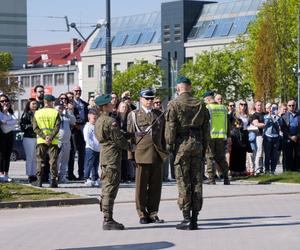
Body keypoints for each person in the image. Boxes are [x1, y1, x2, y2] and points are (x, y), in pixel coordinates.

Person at [165, 76, 210, 230]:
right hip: (197, 144)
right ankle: (195, 217)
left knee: (183, 181)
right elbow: (206, 129)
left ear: (178, 88)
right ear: (189, 87)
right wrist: (204, 147)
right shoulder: (200, 104)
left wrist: (170, 146)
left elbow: (171, 128)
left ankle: (186, 219)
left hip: (182, 145)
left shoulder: (174, 104)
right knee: (197, 181)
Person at [94, 94, 134, 230]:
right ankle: (108, 219)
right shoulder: (111, 121)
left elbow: (116, 135)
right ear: (104, 107)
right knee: (110, 188)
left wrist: (133, 135)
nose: (113, 105)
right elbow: (118, 139)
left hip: (105, 156)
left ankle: (107, 216)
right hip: (112, 157)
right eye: (110, 104)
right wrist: (130, 146)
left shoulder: (99, 121)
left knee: (107, 187)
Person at [127, 88, 167, 224]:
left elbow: (163, 136)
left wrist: (164, 151)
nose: (149, 101)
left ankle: (153, 212)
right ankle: (142, 213)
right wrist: (130, 156)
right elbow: (130, 137)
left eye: (151, 98)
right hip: (141, 154)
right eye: (147, 98)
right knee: (141, 187)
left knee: (156, 186)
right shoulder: (133, 115)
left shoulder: (159, 115)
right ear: (140, 99)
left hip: (157, 154)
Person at [32, 95, 61, 188]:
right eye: (52, 102)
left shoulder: (37, 113)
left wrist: (44, 137)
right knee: (53, 161)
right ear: (48, 102)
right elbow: (57, 127)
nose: (53, 103)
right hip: (53, 141)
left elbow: (35, 128)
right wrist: (50, 137)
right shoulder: (55, 113)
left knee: (40, 160)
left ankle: (39, 181)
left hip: (41, 140)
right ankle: (53, 181)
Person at [203, 91, 231, 185]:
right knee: (221, 158)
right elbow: (227, 123)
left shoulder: (208, 108)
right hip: (221, 136)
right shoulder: (223, 108)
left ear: (208, 99)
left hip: (210, 136)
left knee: (210, 157)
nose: (205, 102)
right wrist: (228, 135)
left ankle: (211, 179)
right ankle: (226, 178)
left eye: (205, 100)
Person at [55, 97, 76, 183]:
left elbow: (73, 121)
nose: (61, 109)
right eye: (59, 107)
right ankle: (54, 176)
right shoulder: (54, 116)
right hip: (58, 141)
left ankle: (62, 176)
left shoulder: (66, 116)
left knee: (65, 160)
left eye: (62, 107)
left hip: (67, 142)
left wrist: (69, 111)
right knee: (56, 161)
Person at [229, 100, 251, 176]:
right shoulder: (234, 114)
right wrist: (234, 127)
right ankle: (233, 171)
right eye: (241, 104)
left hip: (244, 135)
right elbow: (229, 123)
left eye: (245, 105)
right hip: (236, 135)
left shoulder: (247, 115)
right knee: (235, 153)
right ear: (239, 105)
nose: (243, 106)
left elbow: (248, 125)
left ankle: (242, 170)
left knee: (242, 153)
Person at [71, 85, 88, 180]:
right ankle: (70, 173)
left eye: (79, 91)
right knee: (73, 153)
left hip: (83, 129)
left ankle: (81, 173)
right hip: (74, 130)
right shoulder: (71, 103)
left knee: (82, 154)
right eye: (76, 91)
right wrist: (75, 125)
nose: (78, 92)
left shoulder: (84, 104)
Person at [0, 94, 18, 182]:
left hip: (9, 135)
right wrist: (8, 121)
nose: (4, 103)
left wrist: (6, 122)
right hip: (1, 135)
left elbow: (15, 121)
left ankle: (6, 174)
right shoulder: (1, 112)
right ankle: (1, 174)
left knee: (8, 155)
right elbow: (1, 122)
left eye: (6, 101)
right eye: (2, 101)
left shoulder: (10, 112)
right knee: (1, 155)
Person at [20, 98, 38, 183]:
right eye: (33, 104)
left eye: (35, 103)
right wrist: (33, 125)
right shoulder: (26, 114)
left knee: (35, 157)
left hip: (37, 137)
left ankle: (34, 174)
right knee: (30, 157)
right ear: (29, 105)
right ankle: (29, 175)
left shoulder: (38, 113)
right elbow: (23, 127)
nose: (35, 105)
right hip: (28, 137)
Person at [281, 100, 300, 172]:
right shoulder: (284, 116)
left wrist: (297, 136)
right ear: (287, 106)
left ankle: (297, 169)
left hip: (297, 138)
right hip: (288, 138)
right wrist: (290, 137)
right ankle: (287, 170)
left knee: (298, 154)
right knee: (287, 155)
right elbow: (283, 128)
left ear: (295, 106)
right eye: (290, 105)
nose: (291, 107)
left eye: (293, 105)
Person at [263, 103, 282, 174]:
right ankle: (267, 170)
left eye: (273, 108)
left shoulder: (278, 117)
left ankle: (273, 170)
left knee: (275, 155)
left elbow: (281, 124)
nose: (272, 109)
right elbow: (265, 124)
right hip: (268, 137)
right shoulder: (265, 117)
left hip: (276, 137)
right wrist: (270, 116)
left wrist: (277, 116)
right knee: (267, 155)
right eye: (270, 108)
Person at [83, 109, 100, 187]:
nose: (95, 120)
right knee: (89, 164)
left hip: (97, 148)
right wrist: (93, 146)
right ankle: (87, 178)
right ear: (89, 118)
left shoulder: (97, 126)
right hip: (90, 148)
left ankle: (95, 178)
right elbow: (87, 138)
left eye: (96, 118)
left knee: (95, 164)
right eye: (94, 118)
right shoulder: (87, 127)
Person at [250, 101, 265, 174]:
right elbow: (257, 124)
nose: (260, 107)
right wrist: (266, 124)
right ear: (255, 106)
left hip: (266, 135)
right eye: (258, 105)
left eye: (261, 105)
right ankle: (258, 168)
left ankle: (262, 168)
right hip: (259, 135)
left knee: (264, 153)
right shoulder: (255, 115)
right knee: (259, 151)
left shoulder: (265, 114)